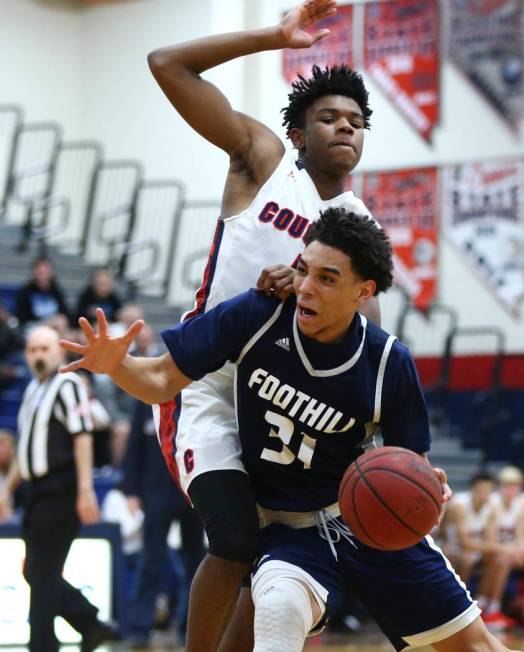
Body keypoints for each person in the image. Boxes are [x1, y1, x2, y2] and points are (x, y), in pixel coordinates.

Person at [60, 208, 517, 652]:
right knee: (278, 607)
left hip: (363, 520)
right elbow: (161, 379)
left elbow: (408, 464)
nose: (305, 288)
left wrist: (426, 481)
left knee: (475, 646)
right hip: (288, 531)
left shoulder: (388, 363)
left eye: (327, 278)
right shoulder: (257, 316)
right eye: (303, 270)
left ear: (364, 291)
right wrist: (117, 365)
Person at [146, 1, 379, 647]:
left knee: (278, 562)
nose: (345, 128)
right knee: (236, 540)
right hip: (207, 382)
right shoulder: (265, 160)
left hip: (289, 401)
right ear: (299, 133)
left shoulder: (361, 229)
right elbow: (167, 64)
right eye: (328, 117)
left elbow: (372, 345)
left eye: (357, 121)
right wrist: (273, 37)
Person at [0, 325, 117, 652]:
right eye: (33, 349)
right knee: (34, 570)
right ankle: (90, 623)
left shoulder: (69, 384)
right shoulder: (33, 390)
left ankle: (42, 645)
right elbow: (24, 449)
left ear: (59, 351)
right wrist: (7, 490)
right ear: (26, 355)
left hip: (61, 487)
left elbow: (82, 436)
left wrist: (85, 489)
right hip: (36, 492)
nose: (39, 355)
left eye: (45, 348)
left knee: (43, 571)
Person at [122, 399, 205, 647]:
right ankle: (140, 629)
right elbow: (134, 446)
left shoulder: (196, 393)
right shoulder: (145, 397)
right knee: (150, 560)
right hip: (156, 493)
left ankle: (190, 628)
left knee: (196, 562)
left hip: (193, 490)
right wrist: (132, 491)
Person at [477, 466, 524, 630]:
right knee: (502, 560)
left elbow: (520, 533)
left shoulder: (520, 503)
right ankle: (491, 609)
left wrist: (519, 549)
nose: (511, 490)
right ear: (500, 487)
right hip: (486, 548)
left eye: (515, 486)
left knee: (510, 557)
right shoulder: (493, 503)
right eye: (507, 486)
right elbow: (490, 538)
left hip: (508, 551)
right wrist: (511, 550)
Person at [441, 471, 499, 584]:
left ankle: (487, 599)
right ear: (473, 489)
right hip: (449, 547)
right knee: (468, 559)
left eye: (488, 491)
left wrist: (495, 548)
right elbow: (464, 543)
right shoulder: (459, 505)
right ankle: (459, 596)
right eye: (481, 490)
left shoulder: (491, 508)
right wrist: (498, 547)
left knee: (498, 559)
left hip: (472, 549)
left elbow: (491, 539)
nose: (484, 494)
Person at [16, 257, 70, 328]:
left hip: (54, 326)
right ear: (34, 273)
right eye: (40, 273)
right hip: (32, 327)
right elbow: (22, 318)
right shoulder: (26, 292)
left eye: (46, 272)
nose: (43, 276)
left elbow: (65, 313)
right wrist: (47, 322)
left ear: (51, 273)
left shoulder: (57, 291)